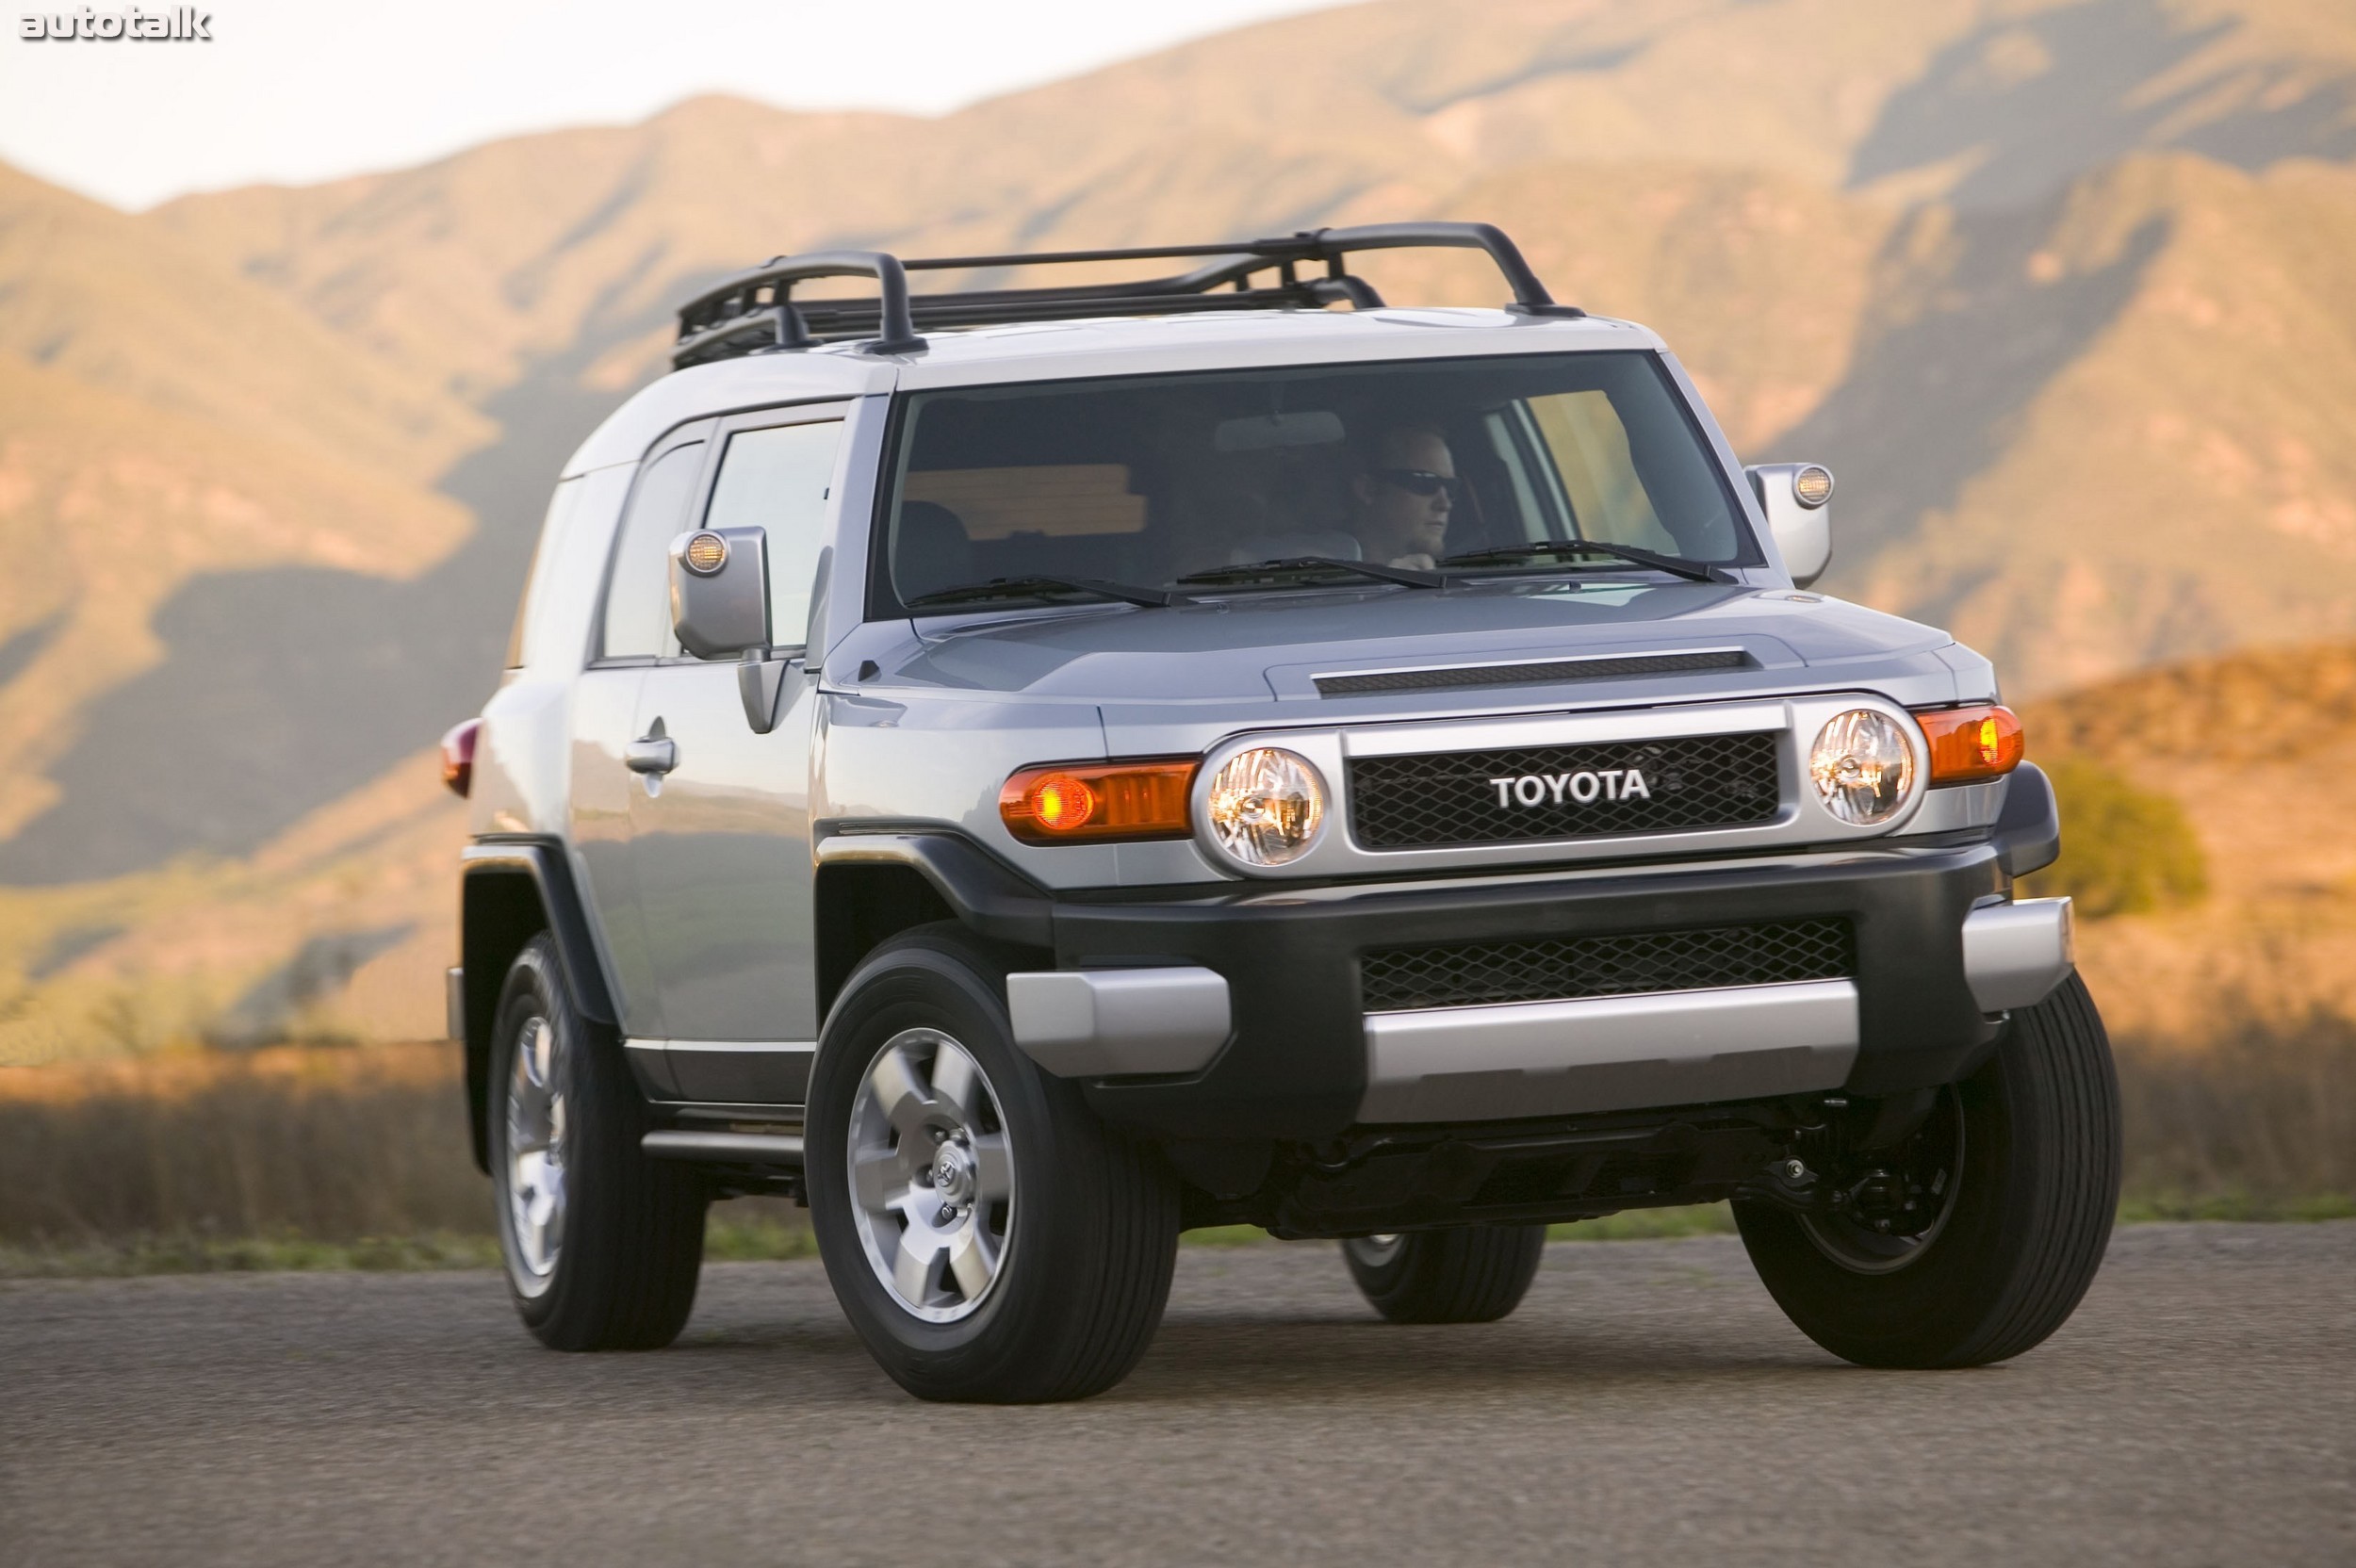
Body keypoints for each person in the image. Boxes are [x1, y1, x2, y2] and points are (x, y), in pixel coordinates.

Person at [1344, 423, 1457, 569]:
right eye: (1425, 482)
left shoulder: (1467, 579)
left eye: (1451, 486)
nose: (1445, 504)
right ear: (1368, 489)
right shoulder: (1321, 578)